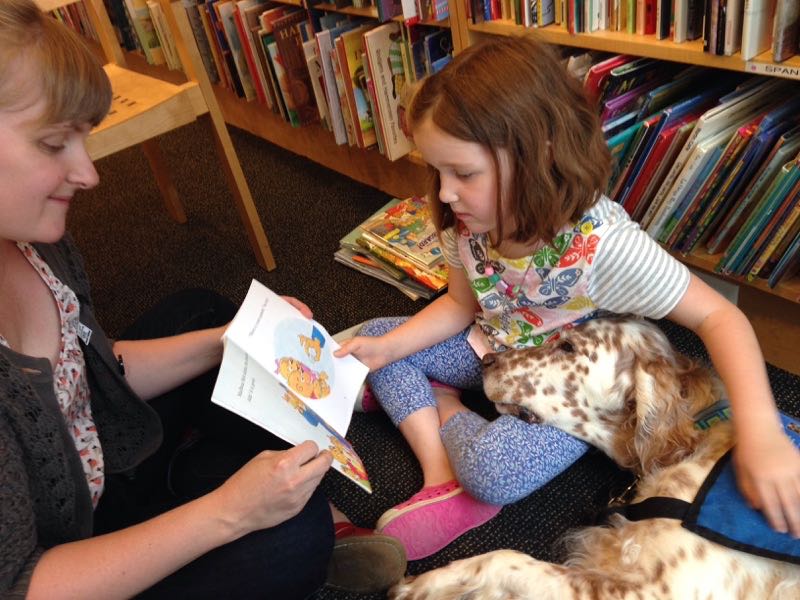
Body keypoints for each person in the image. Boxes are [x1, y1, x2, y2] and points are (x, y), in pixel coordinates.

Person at [336, 34, 800, 560]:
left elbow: (719, 315)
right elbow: (461, 306)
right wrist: (390, 349)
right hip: (492, 346)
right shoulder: (465, 219)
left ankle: (447, 432)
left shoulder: (605, 247)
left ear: (540, 156)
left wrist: (762, 431)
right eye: (437, 170)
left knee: (493, 469)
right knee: (376, 338)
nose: (444, 192)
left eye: (463, 173)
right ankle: (441, 473)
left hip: (570, 385)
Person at [0, 1, 405, 597]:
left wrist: (230, 339)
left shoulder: (34, 243)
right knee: (290, 541)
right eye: (55, 143)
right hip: (57, 559)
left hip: (92, 465)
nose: (89, 174)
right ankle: (257, 521)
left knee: (211, 313)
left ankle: (190, 476)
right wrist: (227, 513)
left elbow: (90, 374)